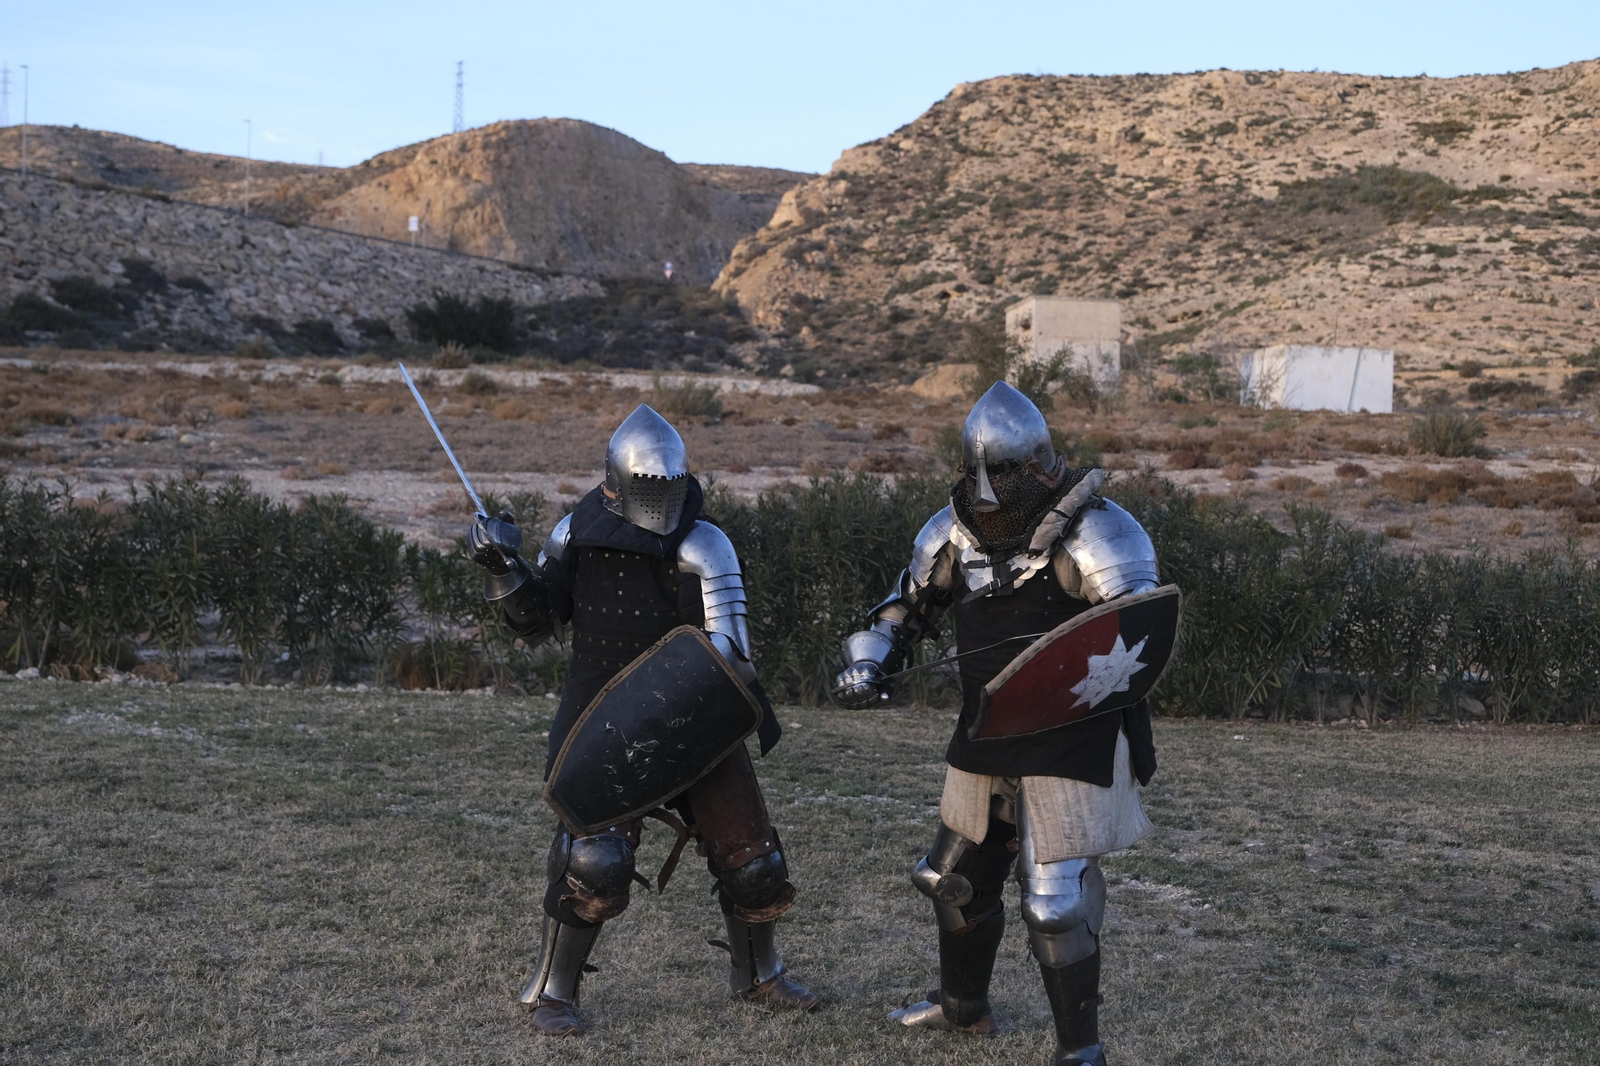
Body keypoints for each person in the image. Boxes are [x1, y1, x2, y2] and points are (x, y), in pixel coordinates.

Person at [833, 381, 1162, 1066]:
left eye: (1003, 472)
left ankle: (1080, 1050)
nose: (986, 490)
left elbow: (1139, 634)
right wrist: (872, 659)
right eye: (977, 472)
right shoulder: (951, 533)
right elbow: (903, 608)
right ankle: (963, 1011)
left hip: (1071, 739)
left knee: (1054, 906)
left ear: (1038, 465)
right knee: (948, 880)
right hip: (987, 732)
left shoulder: (1098, 532)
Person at [468, 404, 816, 1037]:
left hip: (695, 723)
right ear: (618, 481)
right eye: (647, 486)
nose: (660, 499)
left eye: (669, 486)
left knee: (755, 863)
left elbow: (734, 657)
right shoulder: (576, 532)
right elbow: (538, 621)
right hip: (603, 720)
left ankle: (759, 976)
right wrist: (505, 570)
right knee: (595, 860)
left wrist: (686, 698)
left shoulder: (705, 543)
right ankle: (551, 990)